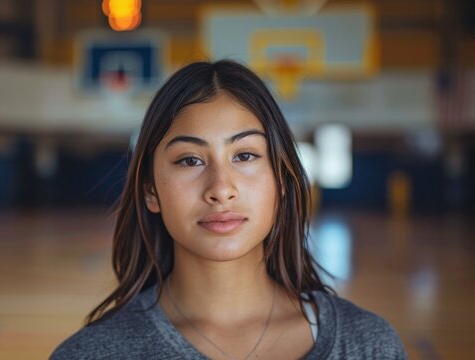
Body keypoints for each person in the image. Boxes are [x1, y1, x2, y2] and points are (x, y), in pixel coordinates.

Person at [50, 60, 406, 359]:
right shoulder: (91, 353)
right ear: (150, 191)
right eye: (190, 160)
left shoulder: (369, 345)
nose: (221, 189)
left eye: (245, 155)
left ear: (281, 181)